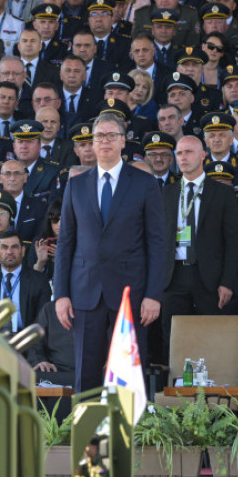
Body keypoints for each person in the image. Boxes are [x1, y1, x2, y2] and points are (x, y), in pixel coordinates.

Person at [54, 114, 166, 392]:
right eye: (99, 136)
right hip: (84, 292)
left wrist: (153, 294)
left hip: (131, 294)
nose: (105, 141)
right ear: (92, 143)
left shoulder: (144, 183)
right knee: (86, 376)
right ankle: (87, 422)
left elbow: (157, 243)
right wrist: (61, 294)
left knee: (128, 377)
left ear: (123, 141)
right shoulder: (76, 185)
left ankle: (130, 422)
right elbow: (65, 242)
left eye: (111, 135)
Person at [161, 136, 238, 356]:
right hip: (173, 276)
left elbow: (233, 242)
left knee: (211, 337)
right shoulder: (166, 194)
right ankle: (174, 376)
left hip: (209, 278)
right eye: (179, 153)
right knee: (172, 339)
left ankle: (211, 377)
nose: (183, 158)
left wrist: (227, 282)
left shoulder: (222, 193)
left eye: (189, 152)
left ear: (203, 155)